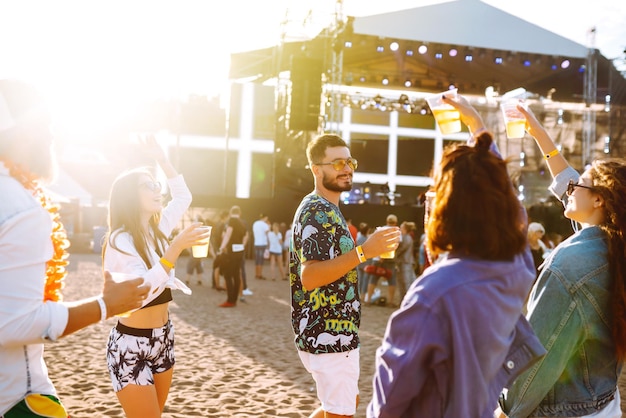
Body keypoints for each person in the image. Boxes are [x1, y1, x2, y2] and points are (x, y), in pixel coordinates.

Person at [368, 94, 545, 417]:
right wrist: (478, 128)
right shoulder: (515, 270)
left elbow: (389, 399)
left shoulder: (434, 293)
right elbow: (513, 211)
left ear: (446, 205)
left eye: (435, 191)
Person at [0, 79, 149, 417]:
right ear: (21, 132)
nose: (53, 135)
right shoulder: (19, 207)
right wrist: (105, 305)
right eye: (45, 124)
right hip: (15, 399)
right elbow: (13, 325)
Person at [497, 103, 626, 417]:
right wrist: (538, 132)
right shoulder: (614, 245)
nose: (568, 189)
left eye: (576, 185)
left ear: (599, 199)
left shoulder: (570, 265)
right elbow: (567, 179)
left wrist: (506, 407)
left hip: (563, 409)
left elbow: (536, 357)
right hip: (602, 401)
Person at [290, 133, 401, 418]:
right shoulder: (316, 210)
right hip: (327, 331)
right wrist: (365, 252)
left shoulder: (328, 208)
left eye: (350, 161)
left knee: (342, 404)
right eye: (338, 163)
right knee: (342, 411)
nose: (347, 168)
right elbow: (310, 276)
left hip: (334, 331)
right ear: (316, 169)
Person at [103, 136, 210, 418]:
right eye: (148, 185)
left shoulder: (158, 228)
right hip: (131, 343)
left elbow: (183, 196)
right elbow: (143, 288)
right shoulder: (119, 240)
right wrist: (175, 248)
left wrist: (162, 160)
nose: (156, 189)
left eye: (156, 183)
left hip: (164, 337)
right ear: (129, 196)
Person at [217, 205, 247, 307]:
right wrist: (242, 246)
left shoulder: (231, 221)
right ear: (240, 213)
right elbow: (245, 237)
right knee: (236, 275)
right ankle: (234, 300)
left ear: (230, 212)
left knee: (228, 275)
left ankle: (230, 300)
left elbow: (228, 235)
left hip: (231, 252)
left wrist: (221, 248)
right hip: (240, 251)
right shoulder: (243, 224)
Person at [365, 214, 399, 307]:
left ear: (387, 221)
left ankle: (368, 300)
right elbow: (398, 245)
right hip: (390, 258)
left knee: (373, 279)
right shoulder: (396, 231)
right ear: (395, 222)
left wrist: (380, 256)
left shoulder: (380, 229)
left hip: (377, 257)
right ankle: (391, 302)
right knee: (391, 280)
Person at [395, 221, 416, 299]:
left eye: (401, 228)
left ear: (405, 229)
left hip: (406, 262)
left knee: (406, 282)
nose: (400, 229)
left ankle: (408, 299)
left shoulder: (406, 238)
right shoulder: (405, 237)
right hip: (403, 262)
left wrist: (395, 252)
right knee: (402, 282)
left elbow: (402, 249)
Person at [185, 214, 206, 285]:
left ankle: (187, 280)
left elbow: (189, 240)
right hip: (200, 251)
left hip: (194, 251)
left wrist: (189, 250)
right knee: (198, 265)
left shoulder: (195, 230)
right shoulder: (203, 230)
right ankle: (199, 280)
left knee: (190, 265)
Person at [252, 213, 270, 280]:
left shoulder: (255, 223)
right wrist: (269, 226)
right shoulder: (265, 225)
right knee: (261, 260)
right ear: (265, 218)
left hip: (256, 243)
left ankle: (256, 273)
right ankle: (259, 274)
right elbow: (268, 233)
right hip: (262, 243)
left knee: (257, 259)